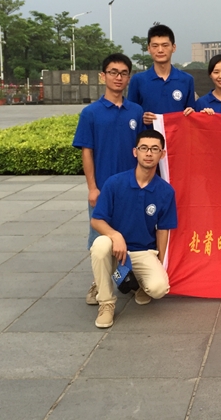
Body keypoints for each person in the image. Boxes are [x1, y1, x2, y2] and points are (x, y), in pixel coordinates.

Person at [72, 53, 144, 306]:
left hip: (132, 188)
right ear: (103, 76)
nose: (118, 77)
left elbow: (145, 149)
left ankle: (132, 280)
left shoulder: (136, 111)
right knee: (99, 239)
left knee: (132, 234)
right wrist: (92, 187)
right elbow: (87, 152)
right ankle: (99, 283)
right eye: (113, 72)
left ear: (129, 78)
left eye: (123, 73)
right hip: (103, 188)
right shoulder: (90, 113)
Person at [90, 129, 177, 328]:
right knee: (100, 245)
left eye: (154, 149)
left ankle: (137, 284)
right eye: (144, 148)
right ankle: (106, 303)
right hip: (115, 249)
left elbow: (163, 230)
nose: (149, 153)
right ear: (135, 152)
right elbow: (96, 220)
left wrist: (160, 262)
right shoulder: (115, 183)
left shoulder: (165, 191)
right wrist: (115, 235)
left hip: (143, 251)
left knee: (159, 288)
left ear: (162, 154)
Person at [127, 23, 195, 126]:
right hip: (149, 136)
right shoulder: (138, 80)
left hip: (177, 135)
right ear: (149, 49)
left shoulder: (187, 80)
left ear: (173, 47)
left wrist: (191, 113)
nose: (160, 50)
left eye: (165, 45)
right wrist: (142, 119)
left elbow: (192, 115)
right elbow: (131, 116)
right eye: (155, 46)